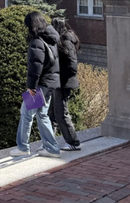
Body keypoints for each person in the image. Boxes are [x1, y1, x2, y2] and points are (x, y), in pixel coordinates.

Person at [10, 12, 61, 158]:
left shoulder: (37, 42)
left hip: (40, 84)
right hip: (50, 82)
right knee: (41, 114)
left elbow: (35, 67)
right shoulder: (51, 39)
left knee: (26, 113)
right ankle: (51, 147)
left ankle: (23, 147)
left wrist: (31, 86)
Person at [51, 17, 82, 151]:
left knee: (61, 113)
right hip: (58, 82)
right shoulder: (66, 40)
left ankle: (73, 142)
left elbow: (71, 66)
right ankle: (49, 141)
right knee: (51, 113)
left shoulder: (65, 41)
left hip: (63, 83)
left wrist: (60, 77)